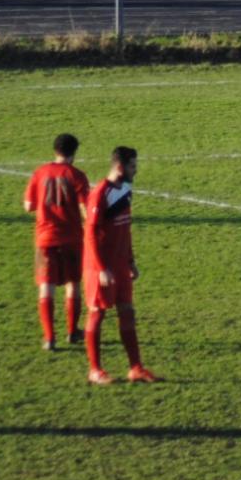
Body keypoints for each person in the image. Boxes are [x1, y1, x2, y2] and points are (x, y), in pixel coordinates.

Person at [82, 146, 159, 386]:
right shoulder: (100, 194)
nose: (135, 171)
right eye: (132, 166)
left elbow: (125, 229)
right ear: (119, 167)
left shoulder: (125, 188)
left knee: (127, 311)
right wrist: (101, 267)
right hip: (100, 267)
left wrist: (131, 260)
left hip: (120, 263)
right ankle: (95, 370)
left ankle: (136, 368)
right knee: (97, 313)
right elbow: (91, 234)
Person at [24, 133, 90, 351]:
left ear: (55, 150)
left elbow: (28, 206)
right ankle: (72, 331)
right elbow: (85, 211)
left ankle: (49, 337)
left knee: (46, 286)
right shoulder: (77, 176)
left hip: (45, 239)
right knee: (73, 284)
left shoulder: (40, 173)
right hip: (71, 238)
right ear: (74, 152)